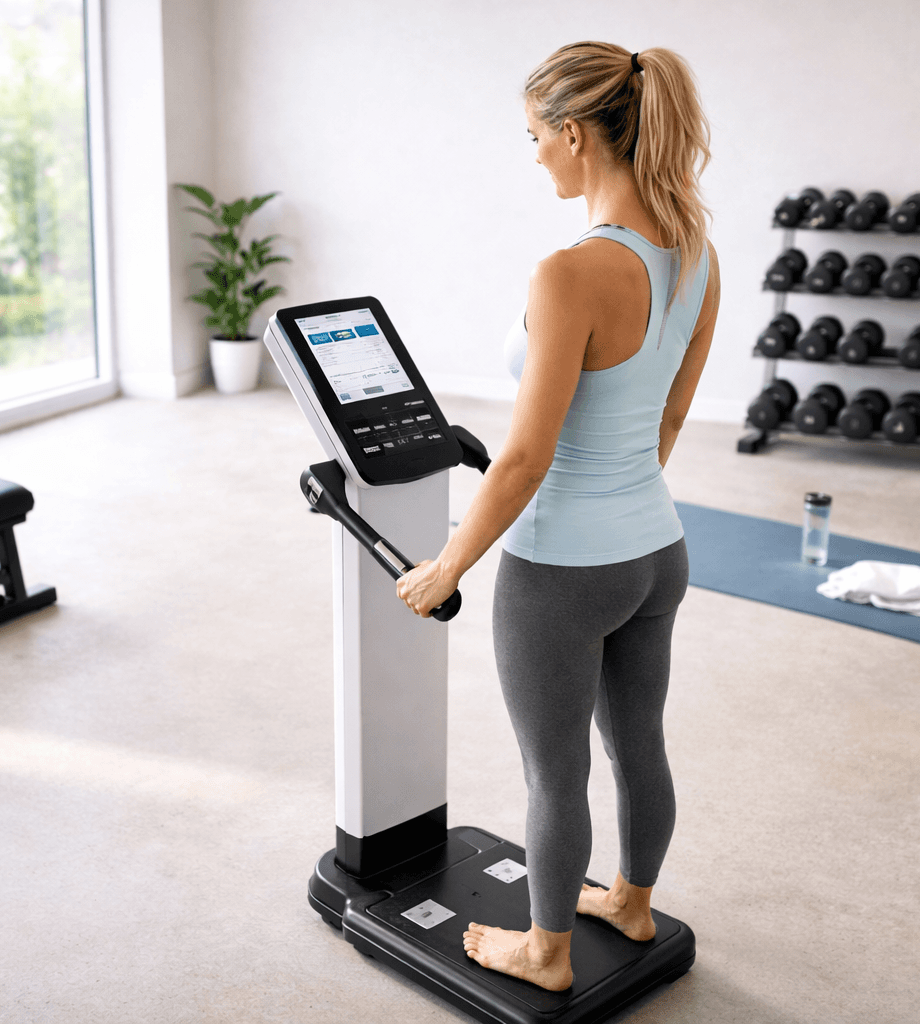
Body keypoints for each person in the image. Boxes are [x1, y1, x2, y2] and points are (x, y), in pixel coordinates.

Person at [394, 41, 720, 992]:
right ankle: (630, 899)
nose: (534, 155)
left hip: (563, 573)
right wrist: (622, 503)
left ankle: (545, 954)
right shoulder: (697, 252)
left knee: (555, 775)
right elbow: (668, 413)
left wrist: (448, 564)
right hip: (657, 550)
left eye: (536, 137)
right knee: (638, 744)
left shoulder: (570, 270)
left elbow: (527, 457)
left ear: (575, 134)